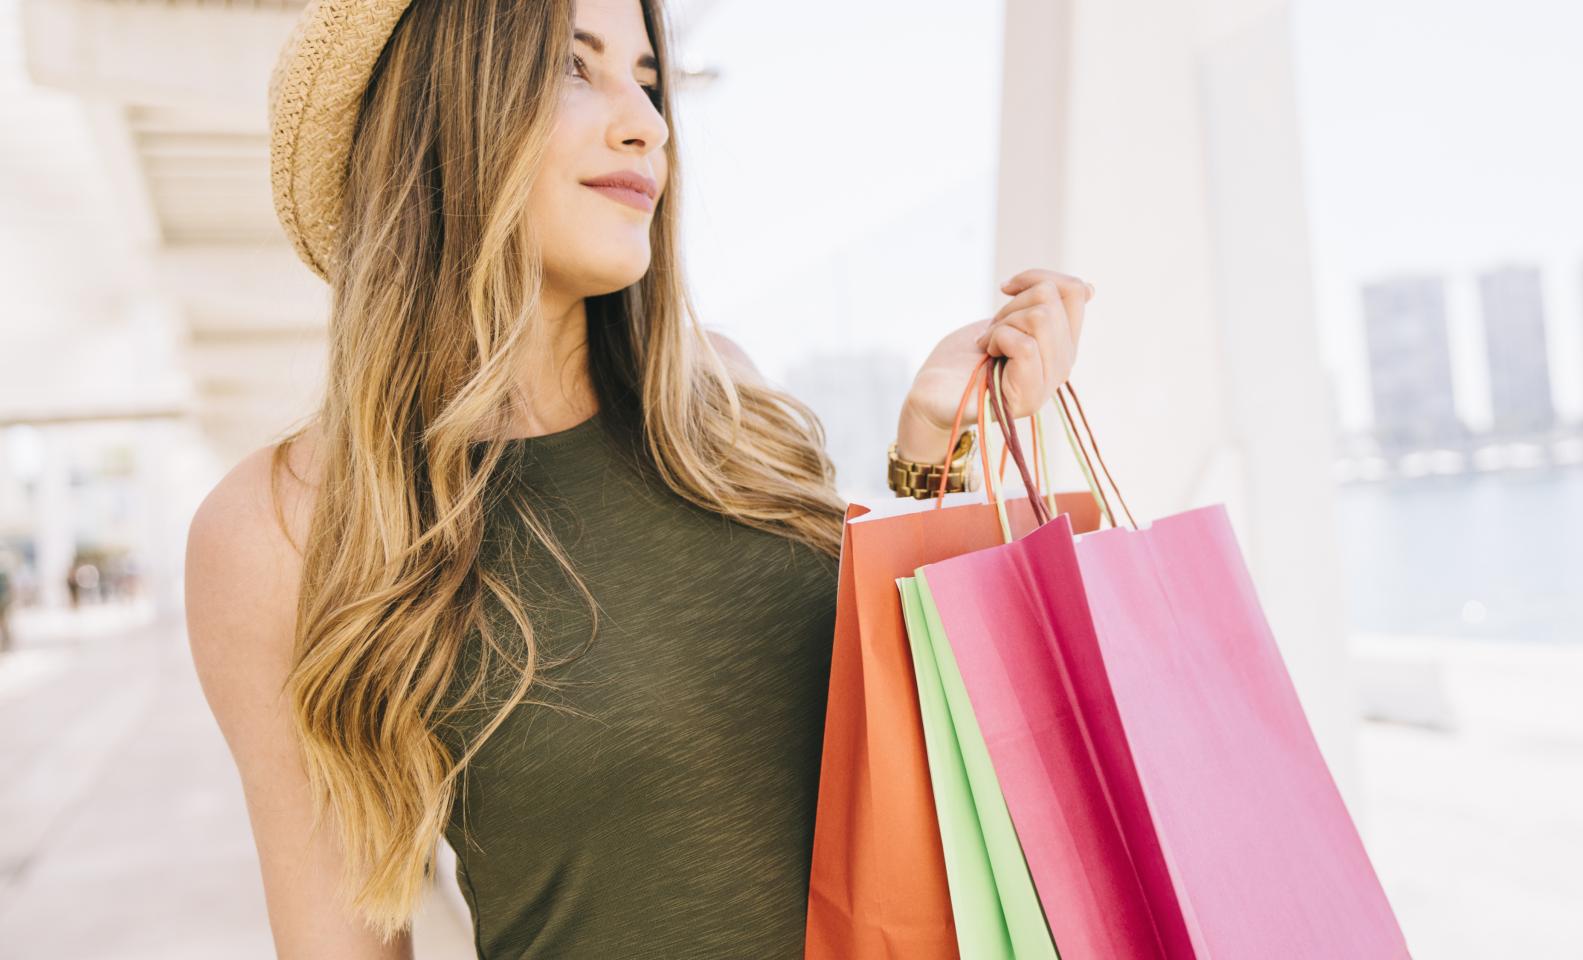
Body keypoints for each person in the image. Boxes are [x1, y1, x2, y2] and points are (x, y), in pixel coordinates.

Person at [182, 1, 1094, 957]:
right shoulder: (280, 527)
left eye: (649, 81)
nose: (648, 123)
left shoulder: (726, 403)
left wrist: (933, 456)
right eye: (576, 69)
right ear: (437, 109)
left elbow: (923, 763)